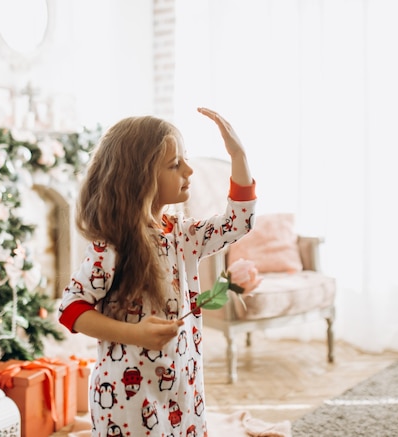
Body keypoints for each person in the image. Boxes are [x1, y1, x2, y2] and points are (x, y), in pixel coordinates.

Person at [58, 107, 256, 436]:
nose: (189, 170)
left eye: (185, 159)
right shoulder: (112, 248)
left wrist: (239, 154)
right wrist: (135, 334)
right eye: (175, 164)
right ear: (140, 178)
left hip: (184, 388)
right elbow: (71, 309)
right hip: (128, 400)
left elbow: (238, 223)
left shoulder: (184, 235)